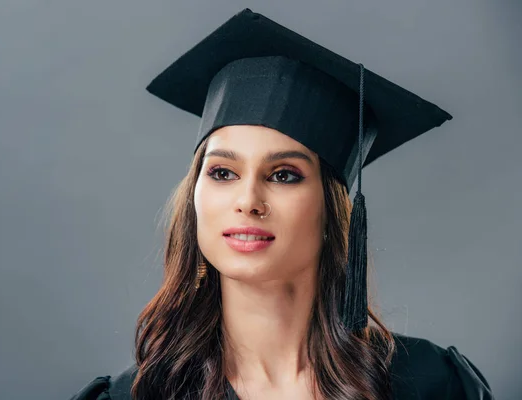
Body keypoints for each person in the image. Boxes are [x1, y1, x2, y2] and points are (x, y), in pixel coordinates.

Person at [69, 8, 494, 400]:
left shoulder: (430, 383)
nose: (248, 200)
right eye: (222, 173)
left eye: (284, 175)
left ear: (332, 209)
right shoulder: (137, 395)